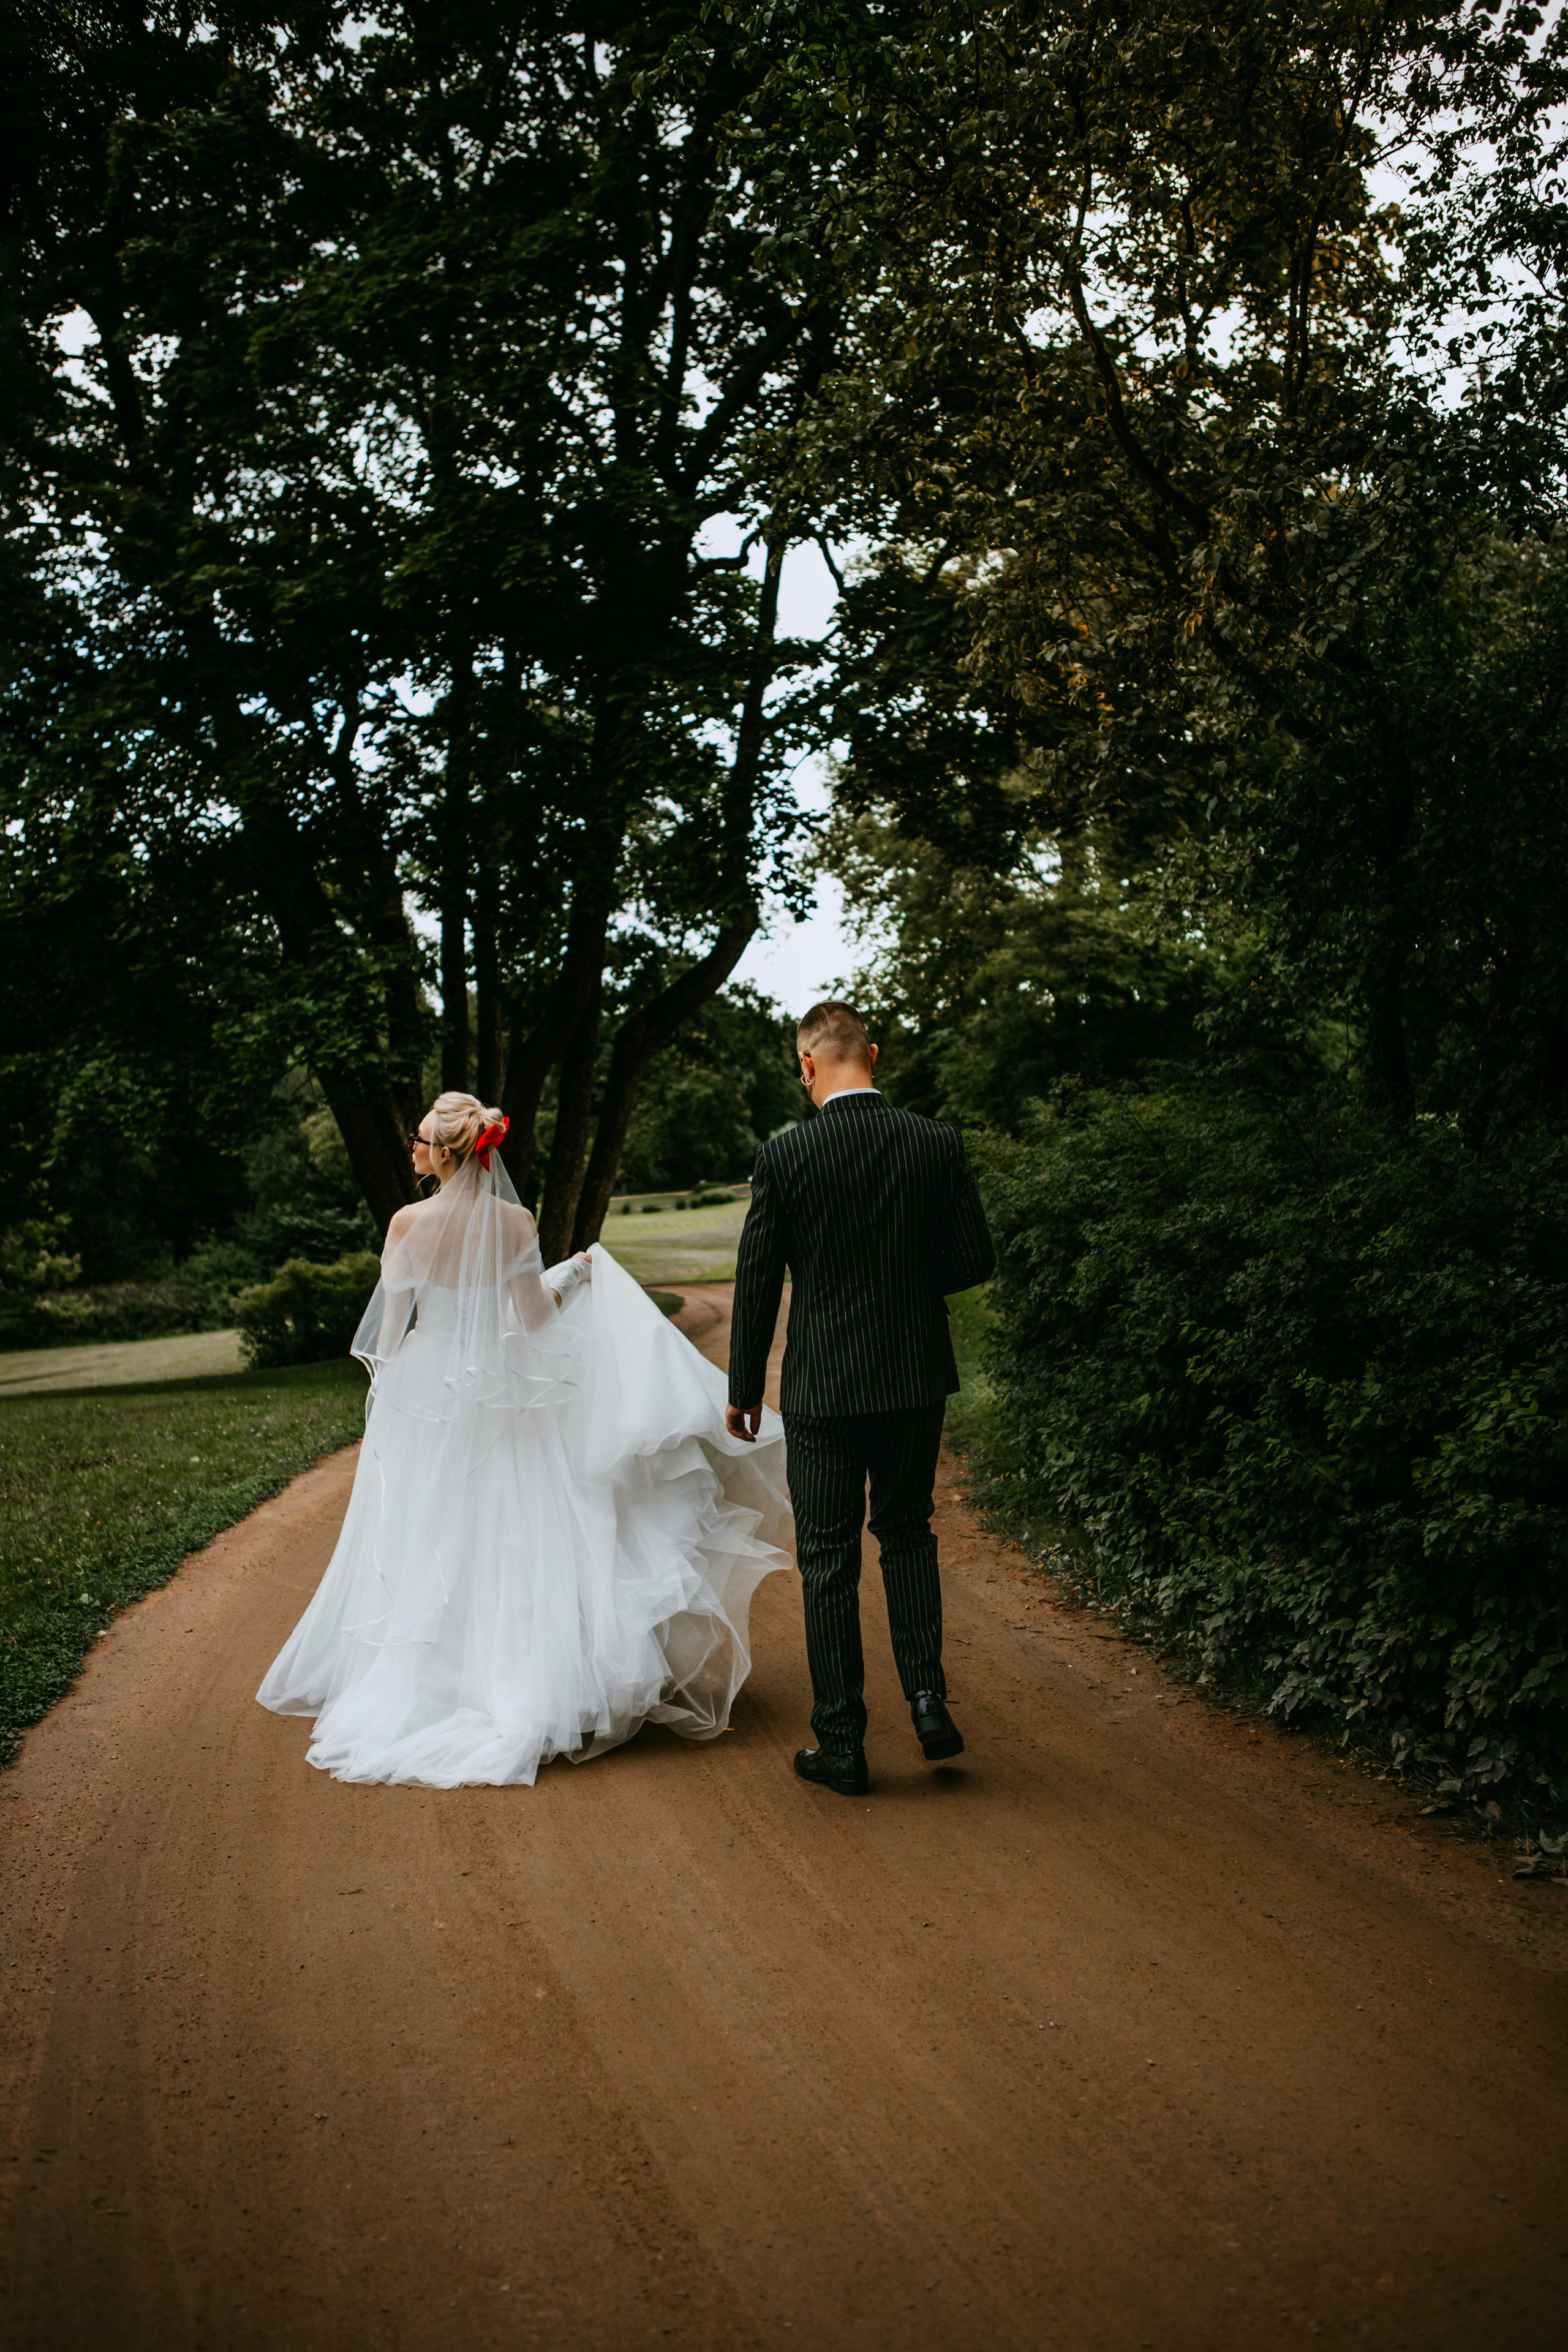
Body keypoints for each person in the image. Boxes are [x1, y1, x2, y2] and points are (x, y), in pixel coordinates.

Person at [258, 1092, 791, 1787]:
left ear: (446, 1152)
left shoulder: (406, 1224)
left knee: (432, 1532)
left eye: (420, 1139)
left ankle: (434, 1680)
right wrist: (571, 1276)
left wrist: (396, 1402)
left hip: (427, 1388)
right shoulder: (515, 1222)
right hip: (501, 1385)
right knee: (515, 1528)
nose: (413, 1149)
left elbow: (389, 1337)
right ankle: (531, 1683)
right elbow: (534, 1321)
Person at [725, 1004, 995, 1796]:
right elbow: (973, 1258)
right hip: (913, 1377)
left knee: (827, 1559)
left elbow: (756, 1279)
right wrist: (906, 1286)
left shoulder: (784, 1158)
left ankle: (842, 1745)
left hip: (824, 1387)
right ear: (871, 1055)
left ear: (807, 1066)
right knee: (908, 1532)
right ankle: (926, 1699)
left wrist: (743, 1386)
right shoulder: (935, 1142)